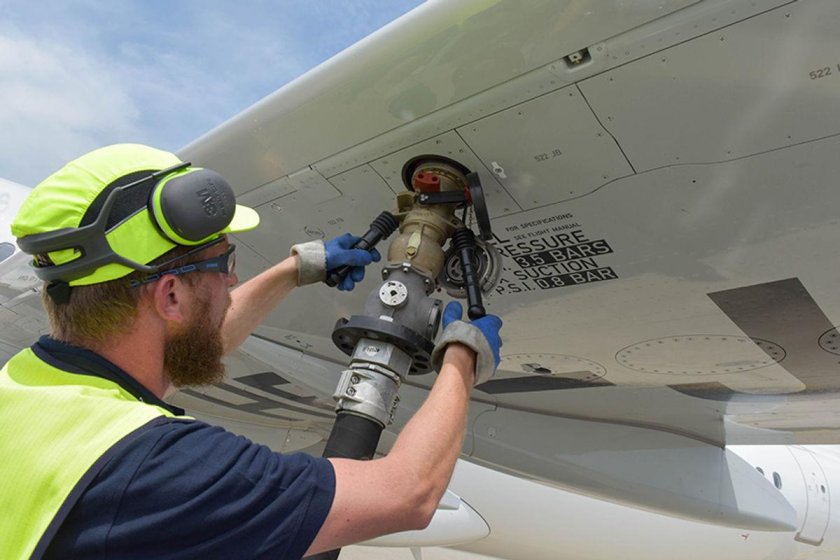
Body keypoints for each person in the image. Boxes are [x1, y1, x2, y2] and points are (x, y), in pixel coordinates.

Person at [0, 144, 503, 559]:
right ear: (170, 296)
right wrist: (462, 357)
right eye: (224, 261)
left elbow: (179, 351)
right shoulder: (162, 470)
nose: (233, 278)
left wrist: (293, 269)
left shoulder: (29, 388)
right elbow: (406, 494)